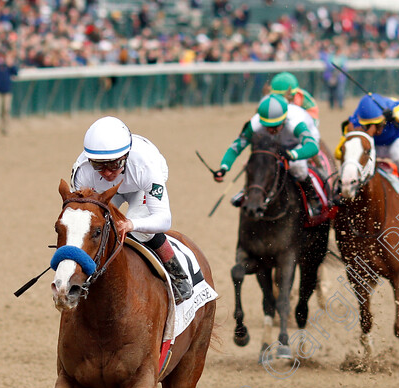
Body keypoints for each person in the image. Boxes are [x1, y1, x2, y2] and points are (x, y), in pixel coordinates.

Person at [70, 116, 193, 304]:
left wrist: (132, 224)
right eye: (99, 166)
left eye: (114, 164)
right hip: (108, 191)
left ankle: (178, 275)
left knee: (140, 228)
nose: (108, 172)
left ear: (126, 156)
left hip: (140, 185)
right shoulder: (83, 171)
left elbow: (163, 219)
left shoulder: (146, 165)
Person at [215, 94, 323, 217]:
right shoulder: (255, 124)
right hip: (275, 144)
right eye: (267, 127)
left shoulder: (296, 123)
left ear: (284, 120)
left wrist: (292, 154)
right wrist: (224, 167)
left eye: (275, 126)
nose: (271, 130)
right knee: (258, 161)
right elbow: (236, 147)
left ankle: (312, 197)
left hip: (298, 142)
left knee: (297, 166)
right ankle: (249, 191)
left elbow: (313, 147)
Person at [336, 93, 399, 213]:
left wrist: (397, 115)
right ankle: (344, 190)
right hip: (373, 145)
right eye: (368, 126)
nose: (376, 130)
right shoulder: (354, 121)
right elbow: (338, 153)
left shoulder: (393, 106)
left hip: (394, 141)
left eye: (379, 125)